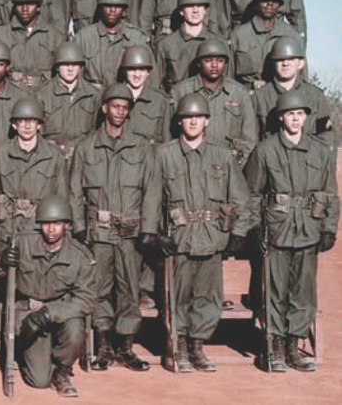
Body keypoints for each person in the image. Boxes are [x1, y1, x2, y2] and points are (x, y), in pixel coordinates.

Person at [142, 93, 251, 372]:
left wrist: (237, 233)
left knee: (208, 297)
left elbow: (240, 198)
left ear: (207, 121)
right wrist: (154, 234)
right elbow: (153, 197)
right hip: (178, 239)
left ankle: (197, 347)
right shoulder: (163, 154)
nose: (193, 122)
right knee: (177, 296)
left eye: (198, 117)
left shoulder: (222, 156)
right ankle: (176, 346)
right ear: (179, 121)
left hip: (212, 237)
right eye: (187, 117)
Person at [245, 91, 338, 372]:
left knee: (303, 293)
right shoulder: (265, 150)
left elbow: (330, 194)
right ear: (281, 118)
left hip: (309, 229)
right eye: (290, 114)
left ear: (306, 118)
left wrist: (329, 228)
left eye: (300, 114)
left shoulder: (321, 152)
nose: (295, 119)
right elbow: (251, 195)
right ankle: (272, 347)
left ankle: (293, 347)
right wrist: (254, 229)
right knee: (274, 291)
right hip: (276, 231)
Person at [69, 84, 155, 372]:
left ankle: (125, 347)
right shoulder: (86, 146)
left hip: (130, 231)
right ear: (104, 107)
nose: (119, 111)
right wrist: (80, 227)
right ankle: (103, 345)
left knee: (129, 289)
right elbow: (74, 191)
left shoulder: (142, 147)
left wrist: (149, 228)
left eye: (124, 107)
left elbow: (152, 190)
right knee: (99, 289)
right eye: (114, 106)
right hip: (99, 232)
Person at [0, 195, 96, 397]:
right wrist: (2, 261)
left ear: (67, 226)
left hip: (59, 314)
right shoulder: (23, 243)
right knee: (39, 381)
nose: (51, 229)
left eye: (57, 223)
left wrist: (49, 313)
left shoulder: (80, 255)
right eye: (46, 224)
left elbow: (86, 298)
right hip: (28, 314)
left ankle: (61, 371)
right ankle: (31, 355)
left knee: (76, 329)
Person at [0, 97, 68, 245]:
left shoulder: (54, 155)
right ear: (14, 125)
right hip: (9, 230)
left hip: (41, 229)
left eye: (32, 121)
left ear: (39, 125)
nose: (27, 126)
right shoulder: (1, 155)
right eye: (22, 121)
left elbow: (62, 197)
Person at [171, 39, 257, 166]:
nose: (215, 65)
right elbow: (171, 136)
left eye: (220, 61)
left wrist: (234, 168)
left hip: (228, 166)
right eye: (208, 60)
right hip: (188, 165)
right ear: (199, 63)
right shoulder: (181, 92)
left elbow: (249, 139)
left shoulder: (239, 94)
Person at [0, 0, 66, 91]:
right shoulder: (2, 35)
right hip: (12, 95)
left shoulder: (54, 36)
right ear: (14, 7)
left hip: (45, 94)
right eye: (20, 4)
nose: (25, 9)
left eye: (30, 4)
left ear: (38, 7)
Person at [252, 37, 333, 141]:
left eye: (291, 59)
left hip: (308, 156)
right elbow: (251, 139)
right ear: (273, 63)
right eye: (280, 59)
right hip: (271, 156)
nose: (285, 63)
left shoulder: (316, 96)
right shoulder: (259, 97)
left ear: (301, 63)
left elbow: (327, 138)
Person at [73, 0, 150, 90]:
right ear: (100, 8)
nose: (112, 10)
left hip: (125, 97)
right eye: (108, 5)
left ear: (123, 9)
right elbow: (74, 75)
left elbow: (150, 76)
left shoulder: (136, 38)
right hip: (91, 97)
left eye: (117, 6)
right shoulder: (84, 37)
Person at [231, 0, 303, 88]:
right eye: (265, 0)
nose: (270, 4)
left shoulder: (291, 35)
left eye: (274, 1)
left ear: (279, 4)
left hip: (280, 95)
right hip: (246, 94)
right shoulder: (239, 34)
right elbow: (228, 75)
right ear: (257, 3)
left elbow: (301, 75)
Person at [34, 42, 101, 156]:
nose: (70, 69)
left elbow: (98, 130)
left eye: (74, 64)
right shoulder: (43, 95)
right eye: (65, 64)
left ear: (80, 67)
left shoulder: (93, 94)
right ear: (57, 67)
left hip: (83, 156)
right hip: (51, 157)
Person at [156, 0, 221, 92]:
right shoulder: (165, 44)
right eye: (190, 6)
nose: (195, 10)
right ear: (181, 11)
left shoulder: (217, 43)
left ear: (205, 10)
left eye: (200, 6)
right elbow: (158, 83)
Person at [118, 45, 171, 144]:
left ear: (148, 72)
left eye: (142, 69)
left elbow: (166, 141)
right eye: (132, 69)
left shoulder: (160, 101)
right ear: (125, 71)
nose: (137, 75)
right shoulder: (114, 97)